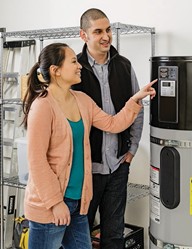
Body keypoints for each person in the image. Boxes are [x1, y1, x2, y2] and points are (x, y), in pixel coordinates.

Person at [22, 42, 156, 249]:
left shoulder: (82, 100)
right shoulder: (42, 106)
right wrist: (56, 203)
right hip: (50, 205)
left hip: (78, 204)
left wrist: (135, 100)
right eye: (74, 62)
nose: (79, 66)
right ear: (55, 71)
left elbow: (112, 124)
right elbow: (37, 161)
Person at [71, 8, 146, 248]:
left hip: (117, 165)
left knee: (113, 235)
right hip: (85, 170)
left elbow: (137, 108)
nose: (106, 36)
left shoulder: (124, 66)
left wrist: (131, 150)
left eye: (108, 30)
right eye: (98, 31)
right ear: (84, 35)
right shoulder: (74, 69)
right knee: (79, 236)